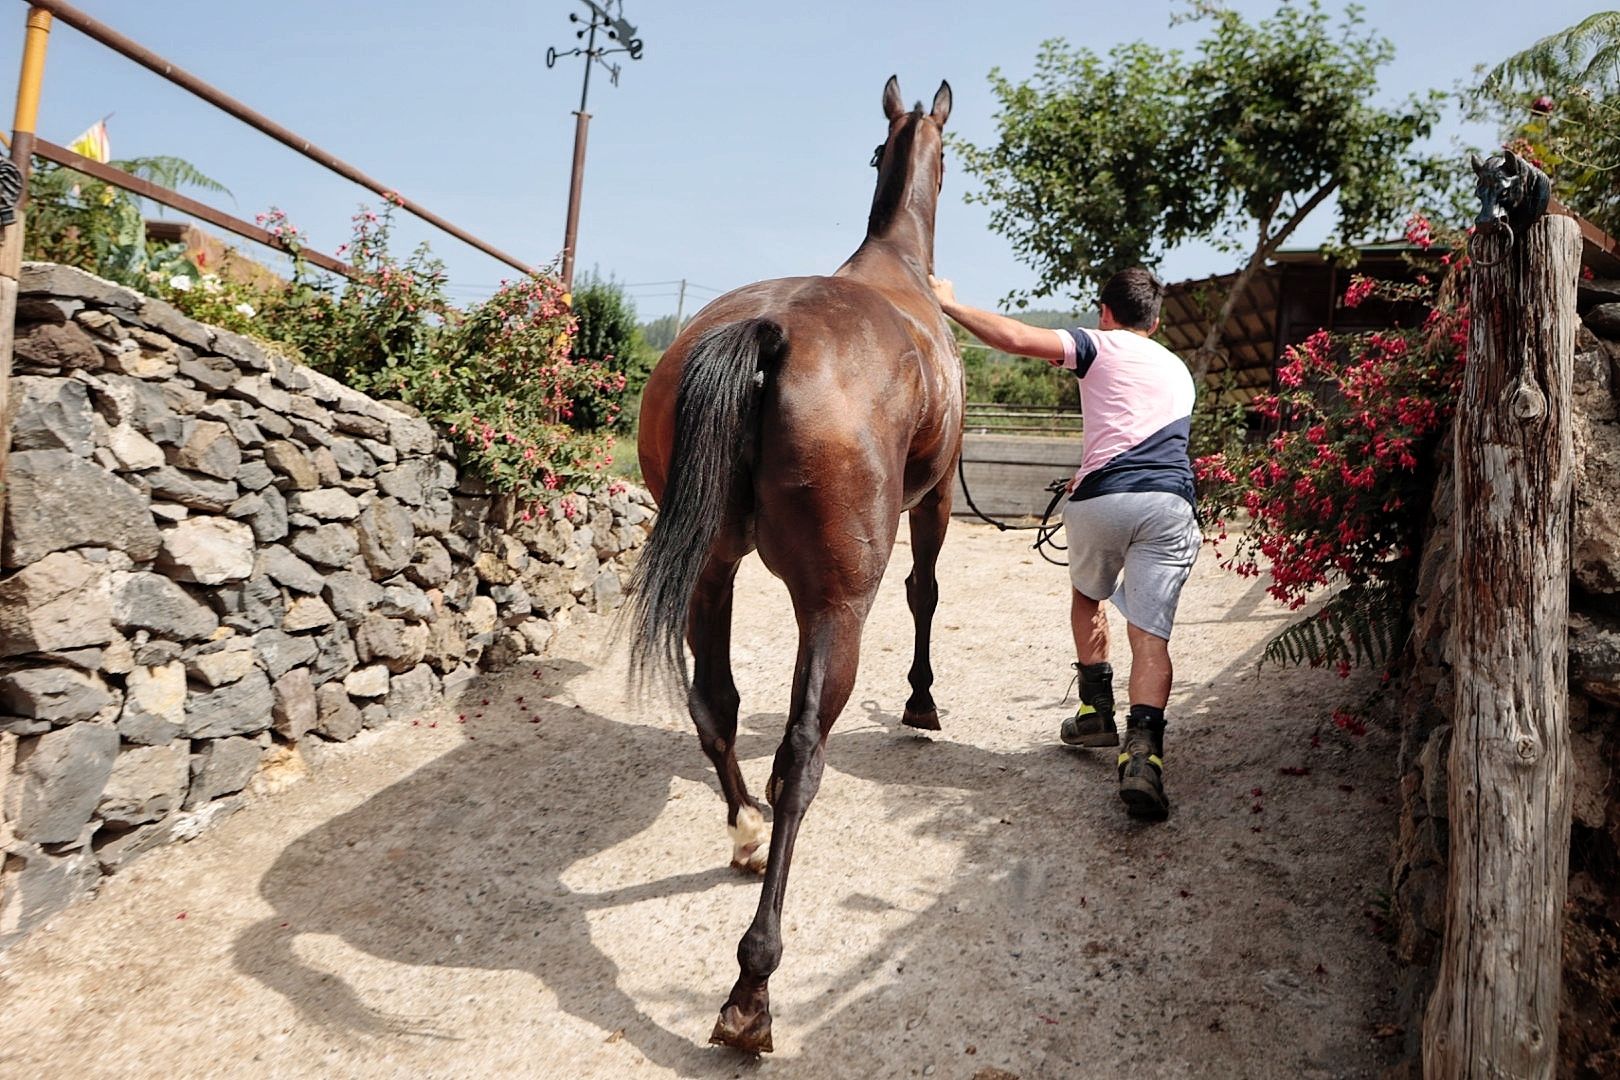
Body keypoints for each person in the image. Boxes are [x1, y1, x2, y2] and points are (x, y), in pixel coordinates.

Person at [930, 267, 1199, 820]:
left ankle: (1095, 709)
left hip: (1102, 501)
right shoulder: (1177, 367)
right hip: (1171, 504)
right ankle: (1144, 757)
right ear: (1157, 320)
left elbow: (1015, 338)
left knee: (1088, 596)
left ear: (1105, 312)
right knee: (1150, 638)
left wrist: (951, 305)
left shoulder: (1096, 344)